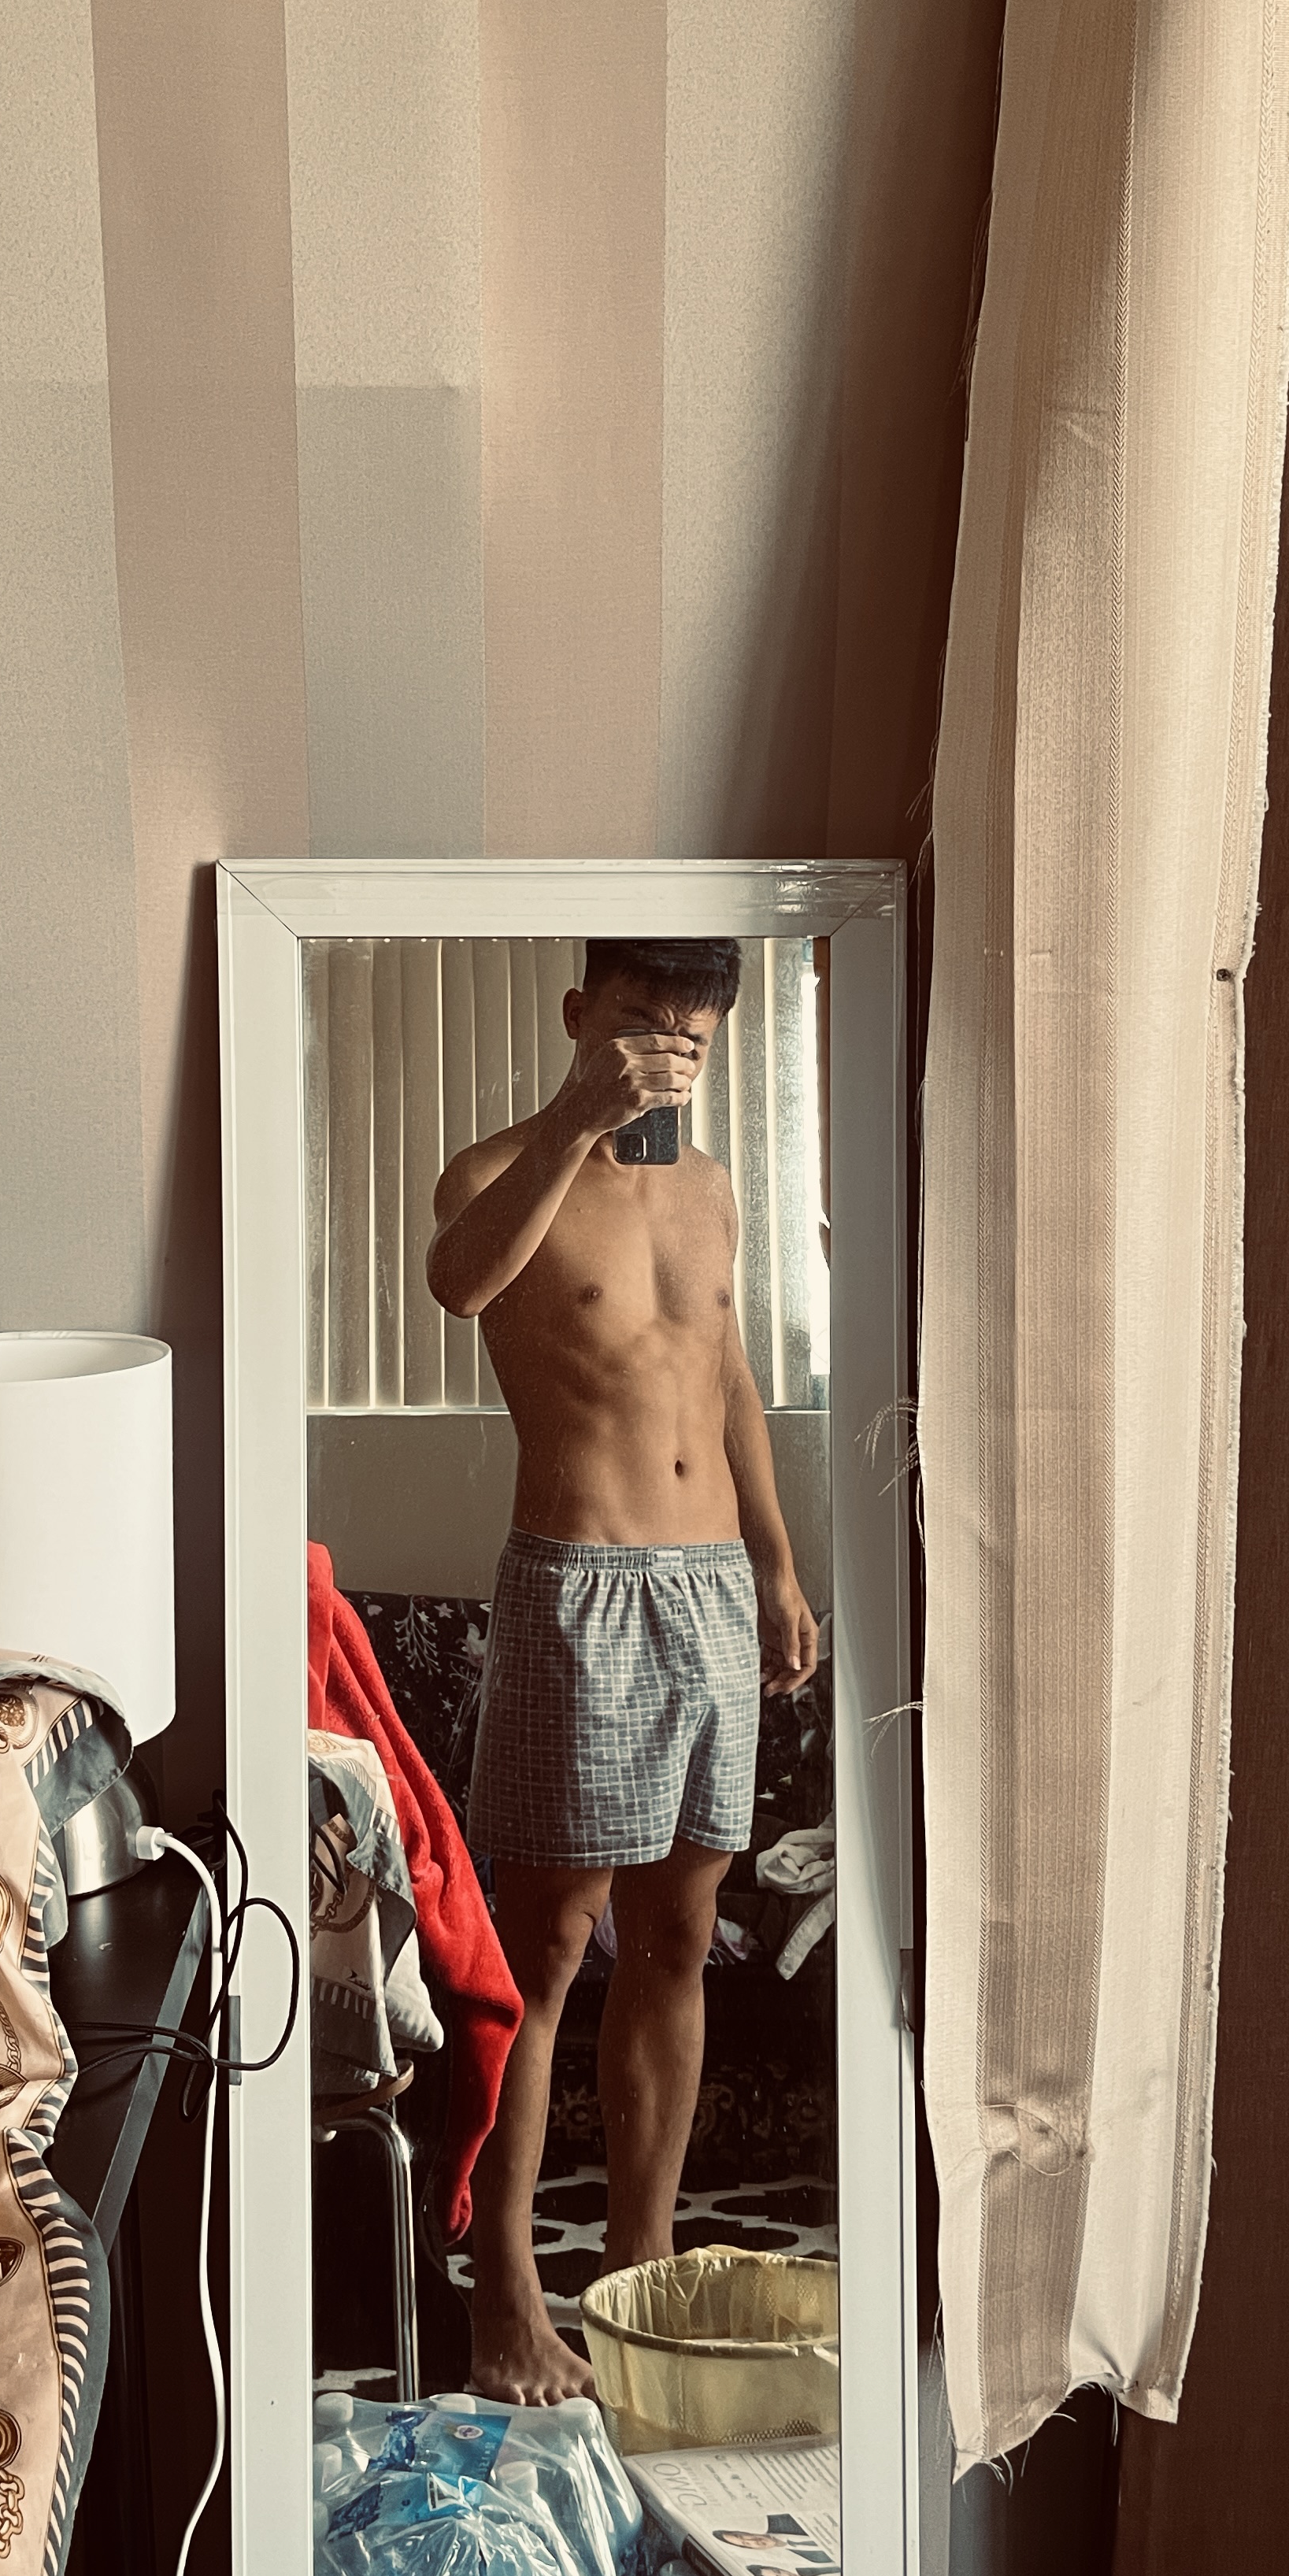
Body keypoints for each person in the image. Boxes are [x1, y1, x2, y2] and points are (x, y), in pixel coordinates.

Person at [427, 937, 819, 2403]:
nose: (669, 1057)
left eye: (694, 1038)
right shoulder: (492, 1174)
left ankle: (637, 2279)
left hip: (711, 1588)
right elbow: (459, 1286)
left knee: (676, 1938)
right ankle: (505, 2294)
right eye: (644, 1026)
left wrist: (777, 1566)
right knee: (542, 1956)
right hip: (579, 1590)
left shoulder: (711, 1191)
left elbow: (728, 1381)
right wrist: (577, 1122)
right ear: (582, 1016)